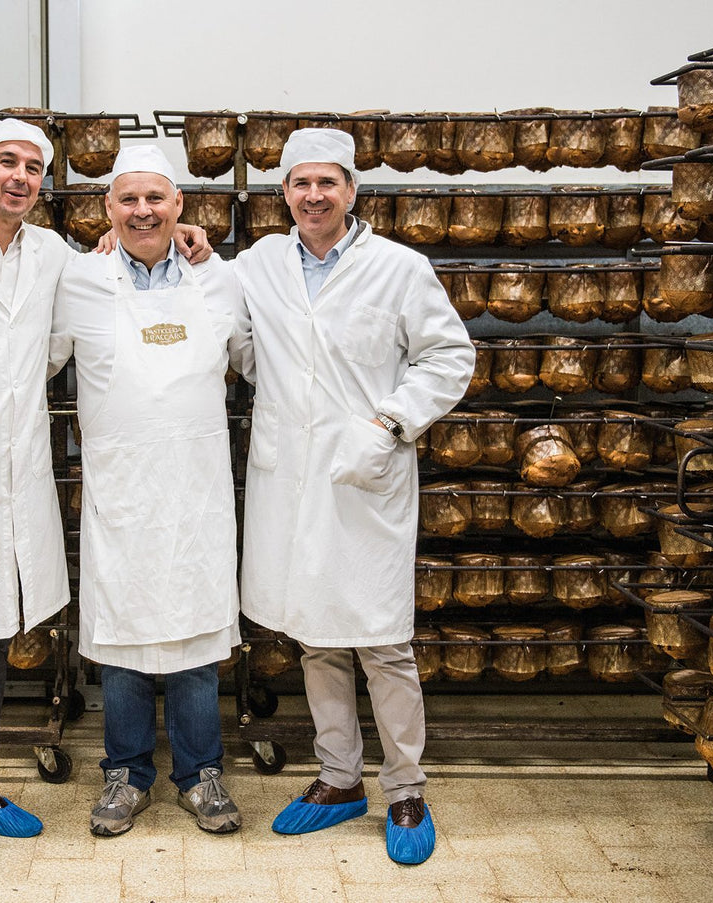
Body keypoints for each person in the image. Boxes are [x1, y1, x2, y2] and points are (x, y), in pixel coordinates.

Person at [0, 119, 212, 880]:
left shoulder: (51, 254)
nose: (19, 176)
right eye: (6, 163)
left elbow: (91, 301)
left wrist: (189, 238)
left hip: (15, 480)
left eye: (33, 167)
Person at [232, 128, 474, 865]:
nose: (313, 196)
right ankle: (339, 778)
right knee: (314, 634)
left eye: (327, 183)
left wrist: (388, 421)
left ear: (351, 190)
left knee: (381, 639)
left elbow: (448, 354)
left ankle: (404, 783)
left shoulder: (398, 268)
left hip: (366, 470)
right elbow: (238, 340)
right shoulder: (257, 265)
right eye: (300, 184)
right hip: (290, 472)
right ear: (283, 194)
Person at [49, 145, 246, 838]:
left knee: (195, 636)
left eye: (155, 199)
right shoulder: (77, 281)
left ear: (179, 206)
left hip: (195, 492)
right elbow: (36, 359)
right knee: (123, 639)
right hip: (122, 492)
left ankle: (200, 774)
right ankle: (126, 773)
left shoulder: (217, 283)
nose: (142, 211)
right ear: (106, 209)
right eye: (127, 200)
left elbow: (255, 357)